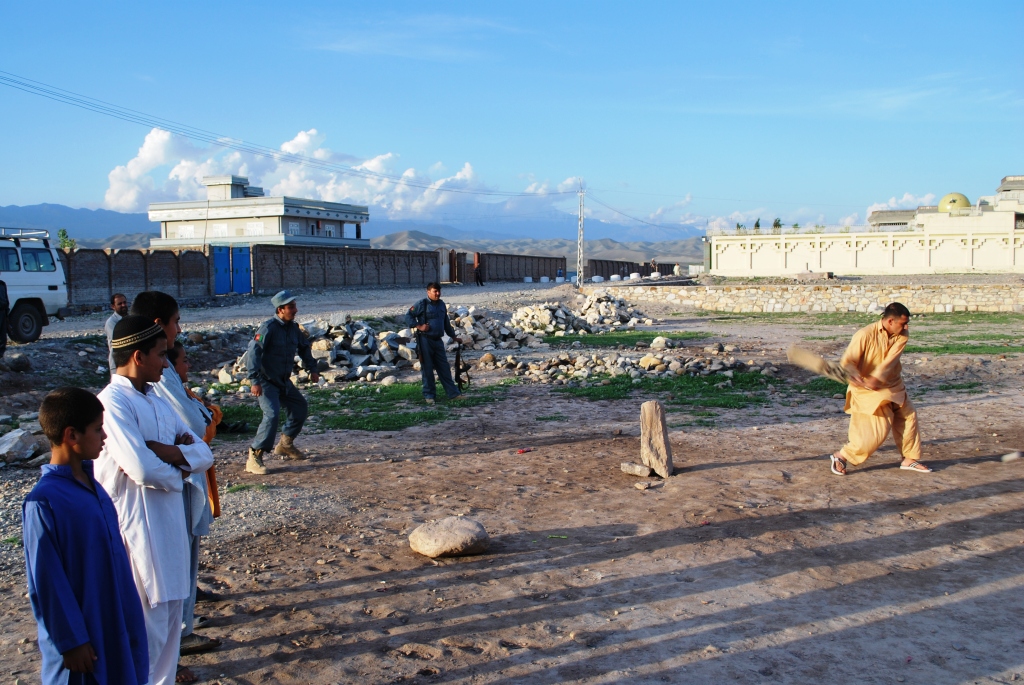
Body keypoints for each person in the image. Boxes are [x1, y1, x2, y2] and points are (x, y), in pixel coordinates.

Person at [94, 316, 214, 685]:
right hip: (136, 528)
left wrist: (170, 455)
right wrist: (180, 466)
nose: (167, 362)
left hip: (168, 525)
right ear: (138, 355)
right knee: (143, 628)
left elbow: (204, 453)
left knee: (169, 626)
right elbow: (140, 470)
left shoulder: (155, 401)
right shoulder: (112, 404)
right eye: (161, 355)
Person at [22, 387, 149, 685]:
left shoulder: (94, 487)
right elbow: (47, 581)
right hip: (82, 636)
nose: (104, 437)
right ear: (71, 435)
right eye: (97, 429)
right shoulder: (44, 501)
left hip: (114, 616)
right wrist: (70, 641)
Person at [130, 292, 220, 670]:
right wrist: (182, 458)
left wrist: (180, 449)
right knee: (167, 570)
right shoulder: (146, 382)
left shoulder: (156, 378)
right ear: (157, 327)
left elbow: (191, 436)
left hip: (175, 482)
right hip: (162, 493)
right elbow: (194, 428)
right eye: (176, 321)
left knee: (179, 562)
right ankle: (181, 633)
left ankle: (179, 631)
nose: (179, 329)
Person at [829, 302, 931, 476]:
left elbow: (890, 361)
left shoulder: (902, 335)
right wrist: (856, 376)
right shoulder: (864, 335)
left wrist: (877, 377)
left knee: (908, 416)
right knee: (877, 432)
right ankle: (841, 456)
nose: (906, 327)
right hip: (867, 391)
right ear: (890, 321)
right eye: (903, 323)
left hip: (892, 384)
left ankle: (909, 459)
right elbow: (848, 361)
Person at [245, 290, 319, 475]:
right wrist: (254, 380)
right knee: (271, 415)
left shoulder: (294, 329)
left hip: (284, 381)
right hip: (267, 381)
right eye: (291, 307)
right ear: (280, 310)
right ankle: (255, 455)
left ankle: (285, 445)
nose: (295, 310)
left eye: (294, 306)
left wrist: (313, 369)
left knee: (300, 407)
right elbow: (254, 352)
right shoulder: (267, 328)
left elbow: (304, 348)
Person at [405, 282, 462, 405]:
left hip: (438, 341)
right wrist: (419, 326)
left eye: (439, 291)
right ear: (428, 292)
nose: (438, 293)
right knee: (427, 369)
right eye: (435, 291)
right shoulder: (421, 304)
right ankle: (429, 395)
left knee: (444, 368)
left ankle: (453, 394)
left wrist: (453, 336)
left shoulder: (441, 304)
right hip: (425, 340)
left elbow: (446, 322)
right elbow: (408, 316)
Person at [104, 293, 128, 373]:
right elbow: (119, 340)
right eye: (120, 304)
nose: (123, 305)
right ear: (113, 306)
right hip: (118, 363)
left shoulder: (130, 319)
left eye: (124, 302)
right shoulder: (111, 322)